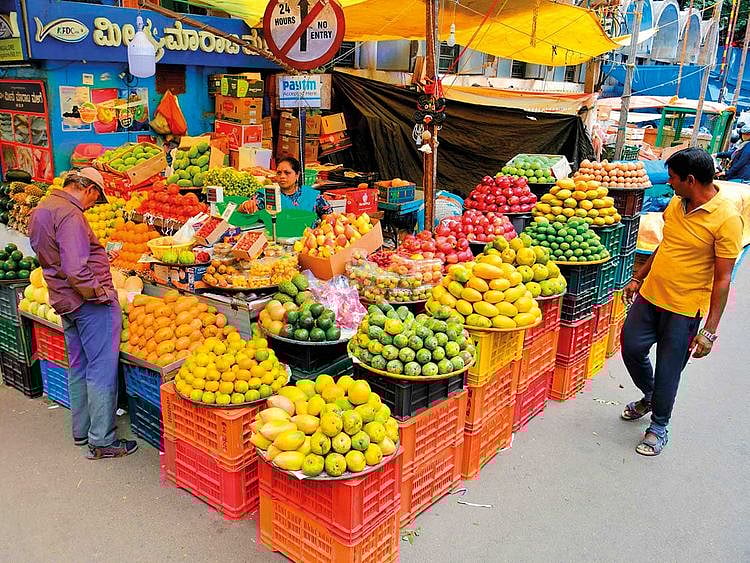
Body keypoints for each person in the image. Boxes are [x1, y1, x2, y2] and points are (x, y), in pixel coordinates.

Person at [619, 148, 743, 456]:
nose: (669, 183)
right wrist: (639, 278)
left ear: (690, 179)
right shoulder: (676, 204)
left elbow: (723, 279)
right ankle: (651, 395)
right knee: (631, 347)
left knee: (669, 369)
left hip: (686, 309)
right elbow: (667, 244)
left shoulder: (727, 219)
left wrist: (709, 331)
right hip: (651, 297)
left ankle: (659, 425)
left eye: (673, 178)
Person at [29, 167, 137, 460]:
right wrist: (100, 293)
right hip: (87, 303)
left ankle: (82, 430)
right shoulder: (71, 215)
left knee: (79, 365)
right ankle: (102, 441)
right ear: (88, 189)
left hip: (63, 299)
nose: (92, 205)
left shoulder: (43, 209)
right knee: (101, 369)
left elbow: (52, 256)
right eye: (95, 199)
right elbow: (77, 269)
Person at [255, 156, 332, 217]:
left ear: (297, 175)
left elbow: (328, 213)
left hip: (308, 235)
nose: (282, 176)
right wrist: (246, 206)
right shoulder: (268, 194)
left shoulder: (310, 194)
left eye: (287, 173)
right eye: (279, 173)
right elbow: (251, 206)